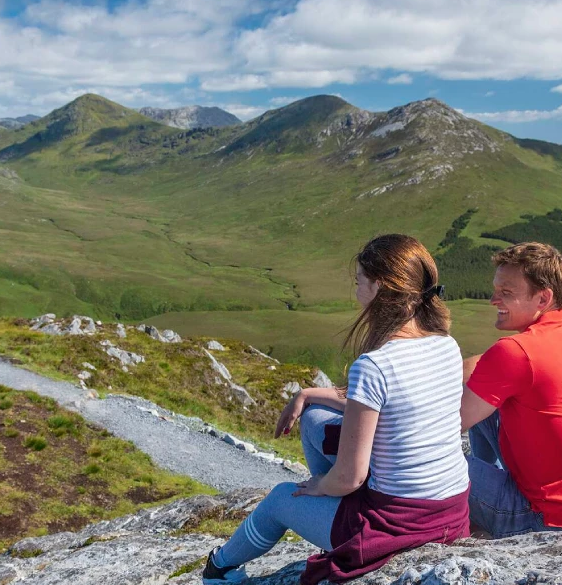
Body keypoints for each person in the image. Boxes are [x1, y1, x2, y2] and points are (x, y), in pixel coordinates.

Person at [202, 234, 471, 585]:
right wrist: (309, 395)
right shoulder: (445, 344)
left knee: (282, 497)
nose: (356, 288)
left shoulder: (375, 365)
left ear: (378, 287)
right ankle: (334, 505)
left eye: (359, 281)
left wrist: (322, 486)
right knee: (314, 419)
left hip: (398, 524)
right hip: (451, 510)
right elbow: (385, 402)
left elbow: (352, 476)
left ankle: (218, 570)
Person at [460, 242, 562, 538]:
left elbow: (438, 430)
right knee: (480, 393)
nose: (494, 300)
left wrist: (368, 403)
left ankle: (469, 505)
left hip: (538, 517)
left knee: (407, 455)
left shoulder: (514, 351)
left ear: (543, 298)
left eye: (506, 292)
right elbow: (478, 368)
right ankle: (481, 486)